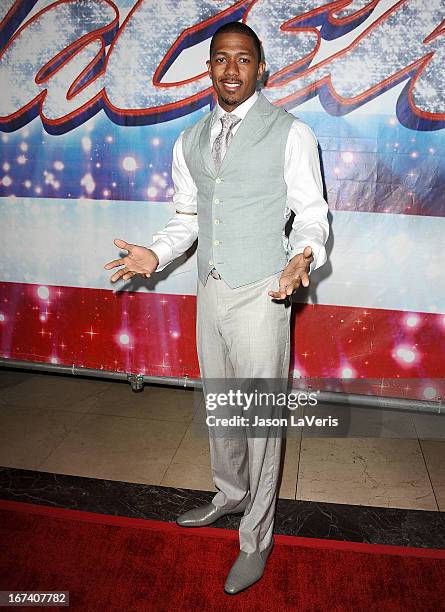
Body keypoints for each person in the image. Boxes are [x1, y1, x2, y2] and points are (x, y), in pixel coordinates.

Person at [104, 21, 329, 594]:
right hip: (212, 289)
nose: (232, 69)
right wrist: (154, 253)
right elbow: (186, 219)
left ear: (260, 68)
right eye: (221, 59)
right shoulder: (190, 141)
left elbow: (311, 212)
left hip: (264, 290)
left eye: (244, 59)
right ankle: (229, 497)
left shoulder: (292, 132)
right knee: (221, 406)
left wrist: (303, 255)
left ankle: (256, 537)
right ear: (208, 67)